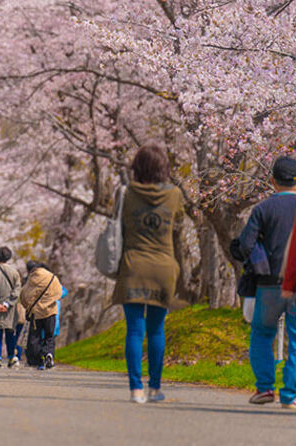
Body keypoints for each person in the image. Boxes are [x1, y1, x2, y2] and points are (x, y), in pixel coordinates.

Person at [111, 143, 184, 403]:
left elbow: (115, 226)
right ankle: (155, 388)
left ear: (137, 167)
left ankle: (135, 390)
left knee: (134, 331)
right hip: (164, 267)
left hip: (133, 266)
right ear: (163, 168)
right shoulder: (175, 194)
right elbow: (179, 222)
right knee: (156, 330)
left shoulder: (126, 193)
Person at [239, 156, 296, 408]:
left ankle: (264, 388)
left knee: (262, 334)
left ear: (272, 180)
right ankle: (291, 394)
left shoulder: (262, 209)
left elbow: (245, 245)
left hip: (269, 284)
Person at [20, 261, 62, 371]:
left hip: (36, 313)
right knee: (49, 335)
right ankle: (48, 353)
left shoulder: (31, 279)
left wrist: (29, 307)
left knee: (35, 337)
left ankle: (37, 360)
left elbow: (23, 295)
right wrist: (48, 303)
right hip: (50, 311)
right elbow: (59, 292)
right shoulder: (52, 277)